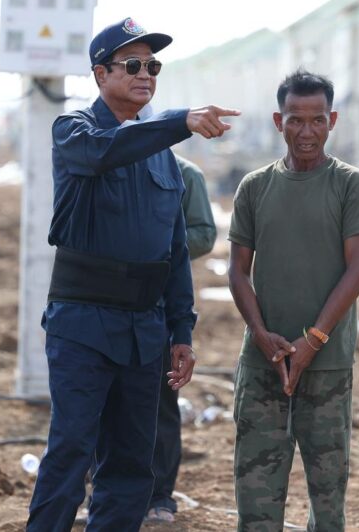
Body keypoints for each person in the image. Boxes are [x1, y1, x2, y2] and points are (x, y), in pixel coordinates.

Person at [26, 17, 240, 532]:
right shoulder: (74, 131)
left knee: (131, 464)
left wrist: (182, 331)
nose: (146, 74)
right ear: (101, 75)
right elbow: (107, 150)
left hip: (144, 332)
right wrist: (179, 121)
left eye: (153, 67)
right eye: (133, 65)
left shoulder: (164, 159)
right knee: (72, 452)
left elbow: (174, 253)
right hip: (83, 326)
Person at [227, 69, 359, 531]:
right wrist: (261, 335)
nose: (306, 131)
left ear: (332, 121)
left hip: (327, 367)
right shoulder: (255, 187)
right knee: (255, 502)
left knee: (328, 504)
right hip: (263, 365)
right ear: (279, 121)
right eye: (295, 119)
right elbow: (237, 271)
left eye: (317, 120)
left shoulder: (351, 185)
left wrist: (313, 340)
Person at [145, 153, 216, 523]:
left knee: (161, 402)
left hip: (161, 302)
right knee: (106, 403)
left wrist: (157, 239)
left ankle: (159, 495)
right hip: (110, 304)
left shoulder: (185, 173)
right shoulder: (112, 161)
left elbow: (204, 235)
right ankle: (104, 491)